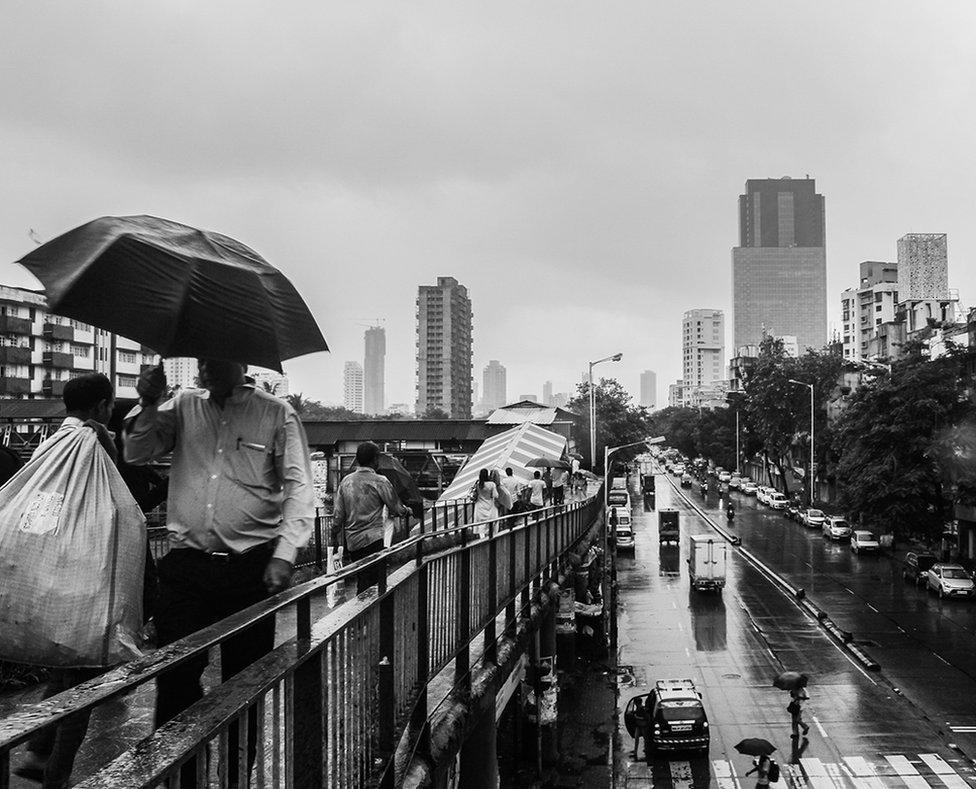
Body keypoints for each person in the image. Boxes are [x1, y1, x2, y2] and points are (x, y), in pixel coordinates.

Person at [125, 359, 315, 788]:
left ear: (240, 360)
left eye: (216, 357)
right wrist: (148, 400)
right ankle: (182, 778)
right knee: (175, 682)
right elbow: (138, 451)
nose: (205, 367)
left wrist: (285, 552)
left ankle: (234, 778)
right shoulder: (181, 406)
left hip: (249, 571)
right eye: (201, 359)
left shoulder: (275, 413)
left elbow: (300, 486)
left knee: (243, 685)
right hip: (186, 568)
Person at [16, 374, 117, 789]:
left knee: (61, 673)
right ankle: (55, 772)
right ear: (100, 407)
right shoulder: (89, 444)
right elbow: (119, 494)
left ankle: (39, 749)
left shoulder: (48, 444)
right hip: (82, 575)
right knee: (82, 677)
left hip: (48, 572)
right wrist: (108, 442)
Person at [331, 441, 410, 593]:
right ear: (374, 459)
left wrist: (333, 536)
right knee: (375, 582)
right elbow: (397, 508)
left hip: (353, 542)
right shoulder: (380, 481)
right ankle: (371, 614)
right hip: (373, 539)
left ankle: (361, 611)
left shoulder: (346, 482)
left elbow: (338, 515)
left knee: (362, 578)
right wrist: (407, 511)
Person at [631, 694, 649, 760]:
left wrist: (636, 717)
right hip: (639, 725)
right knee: (637, 738)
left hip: (642, 726)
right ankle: (636, 752)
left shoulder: (642, 709)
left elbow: (645, 718)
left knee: (644, 739)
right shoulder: (640, 708)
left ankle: (647, 750)